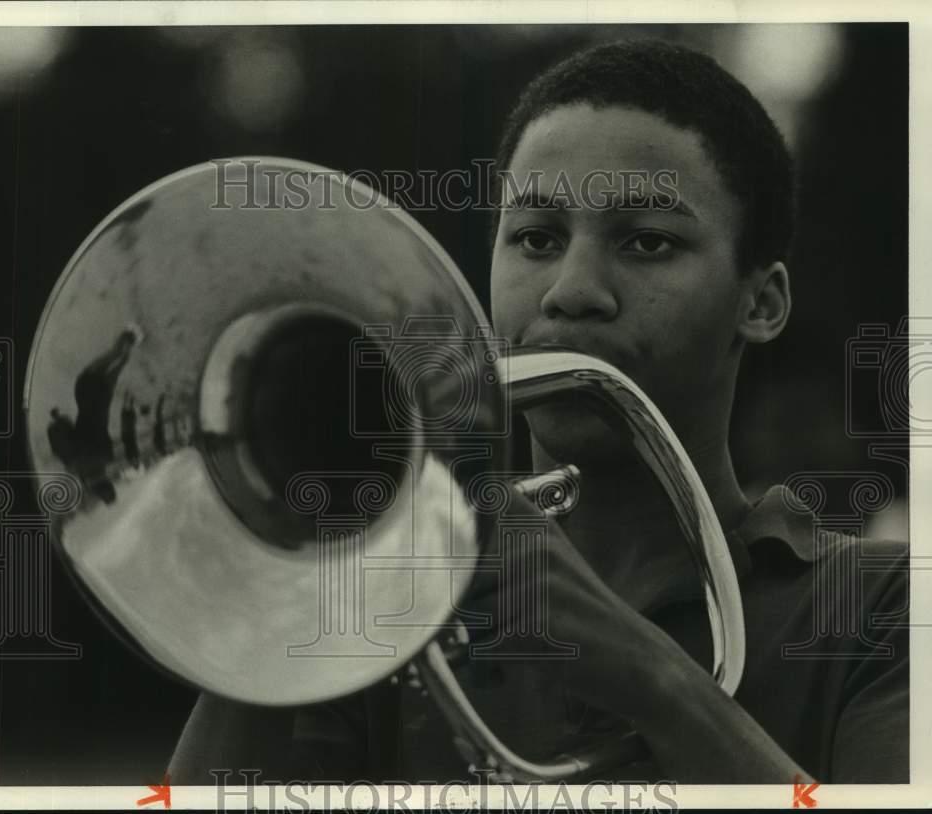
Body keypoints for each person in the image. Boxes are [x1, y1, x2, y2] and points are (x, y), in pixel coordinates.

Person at [168, 39, 908, 784]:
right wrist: (287, 575)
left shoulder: (885, 603)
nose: (570, 291)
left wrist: (647, 676)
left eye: (648, 242)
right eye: (535, 238)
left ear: (762, 302)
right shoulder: (379, 607)